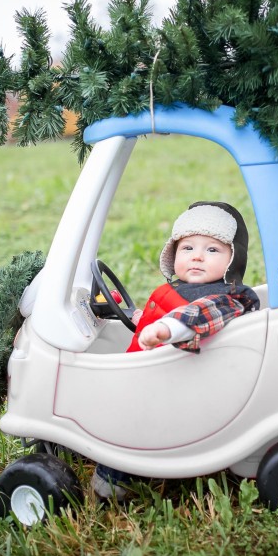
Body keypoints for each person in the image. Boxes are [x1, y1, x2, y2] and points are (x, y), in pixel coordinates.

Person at [92, 201, 261, 501]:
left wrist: (166, 330)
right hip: (153, 370)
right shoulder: (179, 287)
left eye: (212, 250)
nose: (197, 256)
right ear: (173, 255)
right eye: (187, 248)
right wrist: (139, 318)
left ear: (232, 260)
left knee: (122, 415)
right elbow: (161, 315)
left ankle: (114, 477)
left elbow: (195, 317)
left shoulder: (226, 298)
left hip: (179, 384)